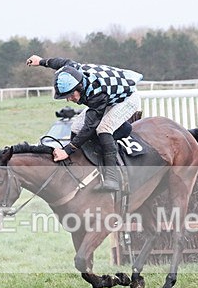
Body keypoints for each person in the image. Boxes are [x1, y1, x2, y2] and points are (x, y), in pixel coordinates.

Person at [26, 55, 142, 192]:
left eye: (71, 95)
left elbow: (89, 127)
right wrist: (41, 61)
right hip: (110, 94)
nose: (69, 99)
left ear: (80, 87)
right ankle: (76, 163)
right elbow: (61, 62)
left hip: (127, 99)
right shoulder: (72, 70)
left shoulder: (97, 93)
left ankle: (112, 178)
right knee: (75, 126)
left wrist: (66, 150)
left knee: (104, 129)